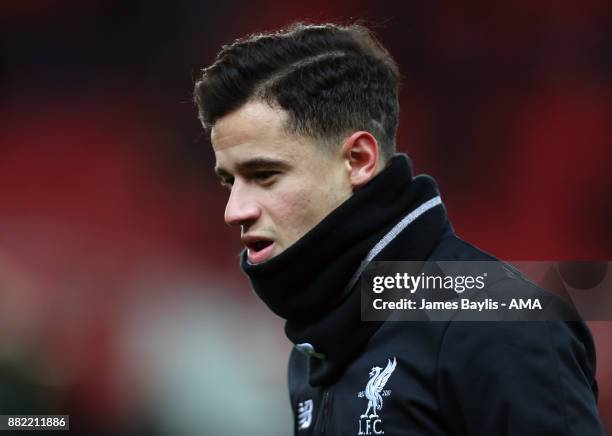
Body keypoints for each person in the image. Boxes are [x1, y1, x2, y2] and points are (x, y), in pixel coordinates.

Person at [193, 22, 604, 435]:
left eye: (264, 174)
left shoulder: (500, 324)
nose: (234, 210)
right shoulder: (314, 347)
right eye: (230, 181)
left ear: (358, 160)